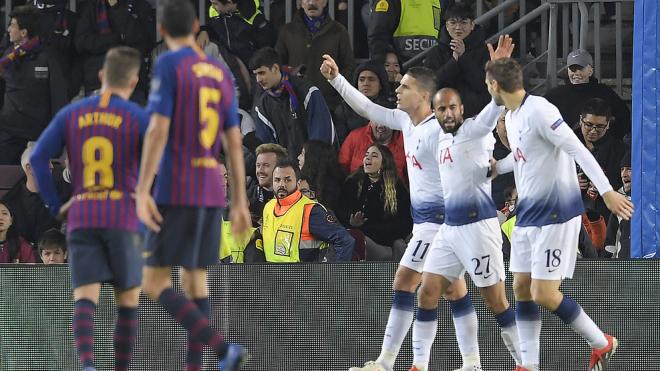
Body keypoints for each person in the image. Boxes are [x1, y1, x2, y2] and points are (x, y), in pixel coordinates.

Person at [321, 54, 478, 371]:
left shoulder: (439, 132)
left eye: (404, 86)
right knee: (453, 290)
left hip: (441, 223)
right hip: (426, 223)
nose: (397, 89)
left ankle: (389, 362)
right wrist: (336, 79)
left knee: (405, 282)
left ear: (423, 95)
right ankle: (471, 364)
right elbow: (366, 109)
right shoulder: (407, 122)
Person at [488, 57, 634, 371]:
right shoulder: (512, 117)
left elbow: (576, 148)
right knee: (521, 288)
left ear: (496, 86)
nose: (488, 91)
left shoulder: (541, 110)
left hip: (557, 212)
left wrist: (607, 190)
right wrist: (497, 168)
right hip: (527, 213)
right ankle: (528, 365)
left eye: (489, 84)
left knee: (543, 292)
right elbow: (524, 154)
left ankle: (602, 342)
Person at [135, 1, 251, 370]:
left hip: (177, 184)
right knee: (195, 283)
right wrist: (240, 201)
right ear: (198, 25)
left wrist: (142, 188)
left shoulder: (168, 64)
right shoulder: (218, 71)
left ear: (162, 33)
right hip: (212, 187)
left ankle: (221, 350)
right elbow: (233, 140)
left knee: (152, 281)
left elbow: (157, 129)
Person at [30, 46, 149, 371]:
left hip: (82, 213)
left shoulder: (72, 113)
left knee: (84, 297)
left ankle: (87, 366)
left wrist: (56, 204)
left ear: (101, 77)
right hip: (122, 214)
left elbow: (38, 159)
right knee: (126, 301)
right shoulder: (137, 115)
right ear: (134, 80)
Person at [409, 86, 522, 371]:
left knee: (495, 302)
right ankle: (422, 366)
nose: (448, 113)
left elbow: (494, 107)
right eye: (441, 109)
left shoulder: (474, 130)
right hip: (450, 229)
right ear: (434, 113)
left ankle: (527, 364)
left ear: (461, 109)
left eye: (453, 107)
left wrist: (498, 78)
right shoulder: (442, 140)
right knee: (427, 292)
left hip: (478, 229)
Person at [0, 5, 68, 165]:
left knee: (35, 184)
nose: (8, 29)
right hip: (8, 134)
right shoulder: (7, 56)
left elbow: (58, 97)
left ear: (23, 32)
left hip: (37, 135)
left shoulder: (47, 57)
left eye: (12, 25)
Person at [258, 159, 355, 262]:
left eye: (287, 180)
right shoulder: (269, 207)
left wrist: (332, 275)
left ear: (298, 184)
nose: (282, 184)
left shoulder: (311, 210)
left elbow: (345, 241)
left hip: (302, 277)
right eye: (277, 180)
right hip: (271, 275)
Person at [250, 47, 336, 162]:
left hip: (317, 171)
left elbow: (322, 139)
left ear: (275, 68)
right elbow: (267, 149)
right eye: (255, 74)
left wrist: (309, 169)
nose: (258, 79)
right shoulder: (263, 105)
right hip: (284, 175)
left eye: (261, 73)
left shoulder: (308, 92)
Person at [337, 144, 412, 261]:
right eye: (366, 155)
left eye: (374, 156)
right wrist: (351, 220)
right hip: (358, 237)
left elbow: (404, 223)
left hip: (384, 242)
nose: (368, 158)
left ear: (384, 163)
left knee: (399, 244)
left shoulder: (397, 189)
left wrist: (367, 227)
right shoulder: (352, 182)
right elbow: (340, 210)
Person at [275, 0, 355, 109]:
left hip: (329, 105)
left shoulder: (339, 31)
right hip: (296, 104)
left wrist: (336, 94)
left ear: (325, 2)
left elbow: (349, 66)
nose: (311, 2)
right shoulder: (287, 31)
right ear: (301, 3)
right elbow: (278, 66)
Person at [74, 0, 155, 102]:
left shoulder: (140, 6)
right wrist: (117, 38)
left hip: (131, 85)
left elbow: (138, 39)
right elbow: (81, 43)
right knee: (103, 117)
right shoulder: (91, 6)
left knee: (130, 117)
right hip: (98, 84)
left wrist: (116, 7)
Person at [544, 49, 631, 140]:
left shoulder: (604, 92)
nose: (576, 73)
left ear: (590, 71)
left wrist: (607, 140)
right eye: (573, 69)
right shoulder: (555, 95)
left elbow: (623, 118)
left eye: (580, 68)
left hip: (597, 150)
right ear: (568, 70)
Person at [423, 3, 491, 118]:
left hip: (478, 117)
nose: (458, 27)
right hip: (444, 118)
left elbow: (485, 85)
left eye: (463, 22)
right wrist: (454, 61)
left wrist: (463, 58)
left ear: (472, 25)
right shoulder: (436, 52)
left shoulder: (485, 51)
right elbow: (431, 85)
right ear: (446, 25)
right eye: (453, 22)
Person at [333, 60, 393, 142]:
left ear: (381, 84)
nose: (366, 83)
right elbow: (340, 141)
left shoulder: (391, 109)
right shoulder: (344, 109)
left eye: (371, 79)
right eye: (361, 79)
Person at [367, 0, 442, 62]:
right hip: (401, 71)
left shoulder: (436, 1)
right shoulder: (391, 2)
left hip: (429, 70)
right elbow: (378, 37)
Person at [339, 120, 406, 181]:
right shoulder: (354, 138)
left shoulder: (407, 143)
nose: (380, 126)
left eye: (385, 120)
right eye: (376, 119)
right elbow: (341, 170)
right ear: (370, 121)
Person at [298, 140, 345, 211]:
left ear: (312, 158)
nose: (298, 157)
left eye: (302, 154)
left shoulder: (331, 188)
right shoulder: (300, 180)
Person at [247, 143, 288, 226]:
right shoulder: (247, 197)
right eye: (258, 165)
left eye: (266, 165)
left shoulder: (293, 198)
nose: (260, 170)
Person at [604, 151, 631, 258]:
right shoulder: (619, 203)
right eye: (622, 169)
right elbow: (610, 243)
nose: (624, 174)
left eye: (629, 169)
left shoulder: (652, 203)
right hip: (623, 269)